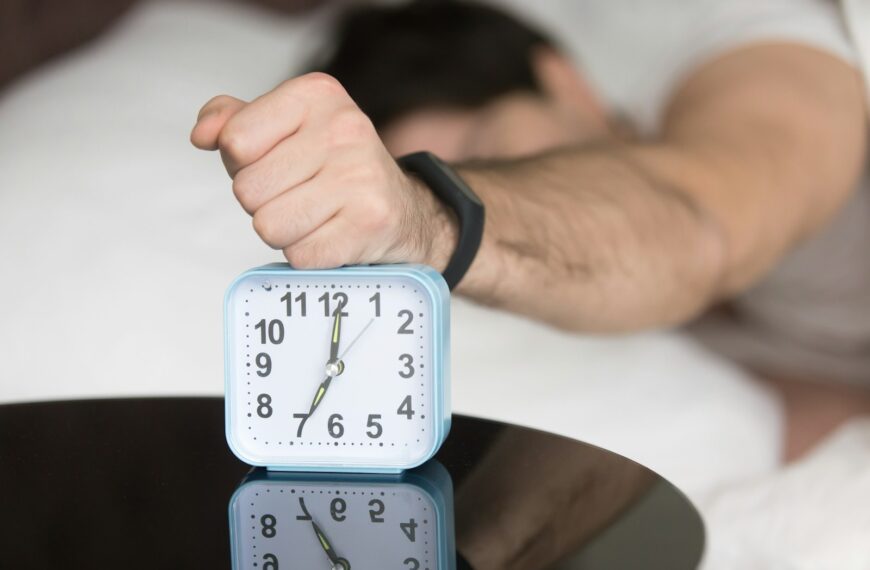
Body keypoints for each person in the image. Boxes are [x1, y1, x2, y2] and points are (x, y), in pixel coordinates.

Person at [190, 0, 869, 460]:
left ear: (563, 82)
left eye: (485, 156)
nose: (498, 188)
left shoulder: (758, 58)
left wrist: (431, 214)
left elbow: (697, 223)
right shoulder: (611, 312)